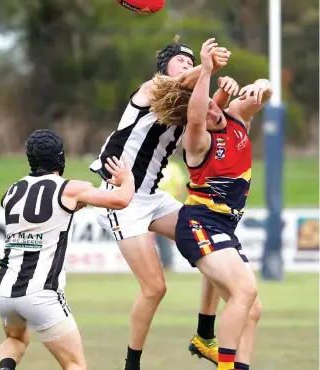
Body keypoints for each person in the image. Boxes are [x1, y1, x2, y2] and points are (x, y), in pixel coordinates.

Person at [89, 35, 234, 370]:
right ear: (164, 68)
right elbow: (182, 81)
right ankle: (132, 365)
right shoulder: (152, 88)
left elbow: (210, 113)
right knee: (155, 289)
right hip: (120, 200)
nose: (186, 65)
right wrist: (206, 65)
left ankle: (205, 336)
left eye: (189, 60)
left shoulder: (184, 107)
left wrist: (223, 90)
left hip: (151, 198)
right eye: (180, 60)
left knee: (210, 241)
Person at [150, 38, 272, 370]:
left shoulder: (235, 116)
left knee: (252, 307)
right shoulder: (197, 140)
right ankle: (226, 365)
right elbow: (194, 117)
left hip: (223, 229)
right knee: (245, 292)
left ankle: (224, 353)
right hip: (199, 224)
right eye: (204, 107)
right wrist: (205, 69)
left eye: (213, 104)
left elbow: (265, 92)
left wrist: (258, 87)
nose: (212, 108)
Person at [0, 129, 134, 370]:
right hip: (40, 293)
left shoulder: (12, 191)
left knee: (15, 339)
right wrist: (127, 177)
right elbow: (121, 200)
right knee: (74, 364)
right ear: (60, 158)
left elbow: (40, 214)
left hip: (3, 292)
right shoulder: (70, 188)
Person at [155, 160, 186, 269]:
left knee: (163, 237)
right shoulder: (171, 168)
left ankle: (167, 263)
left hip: (164, 206)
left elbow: (179, 188)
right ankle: (166, 262)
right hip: (162, 206)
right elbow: (180, 187)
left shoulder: (169, 167)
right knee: (162, 237)